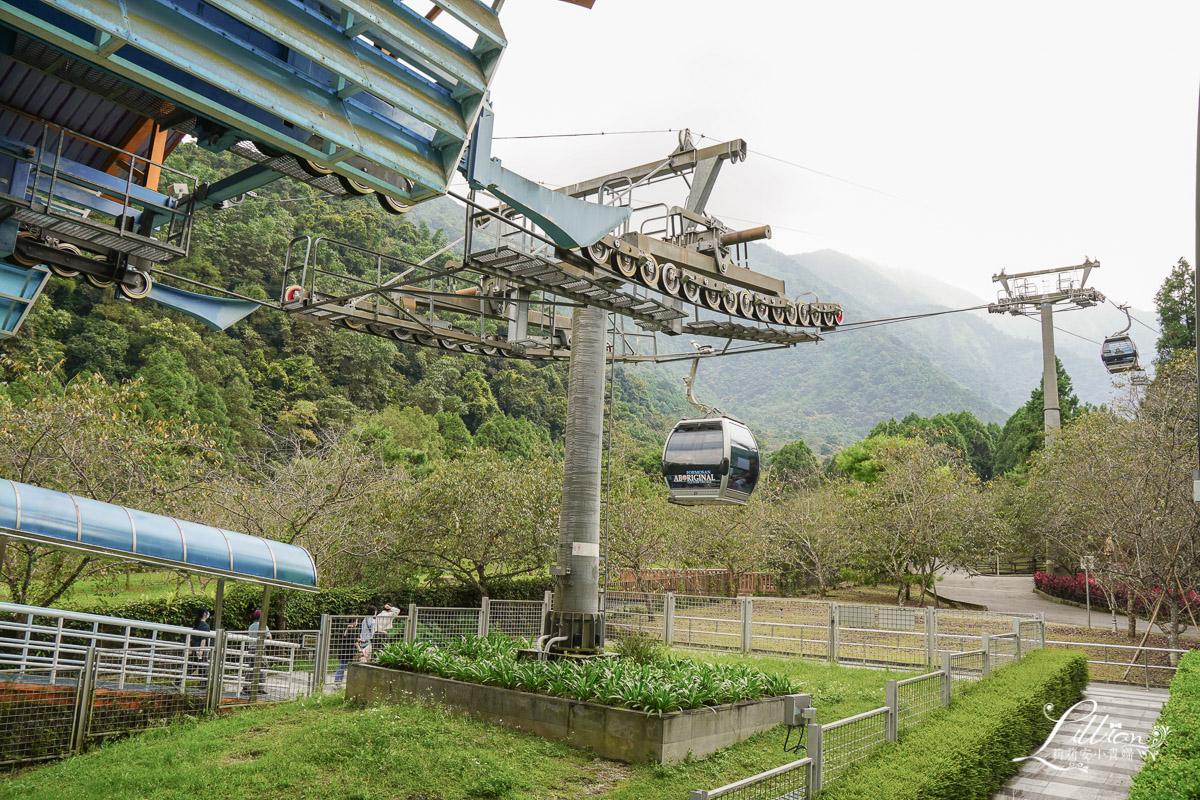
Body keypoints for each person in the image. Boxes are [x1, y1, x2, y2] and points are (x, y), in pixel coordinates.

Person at [244, 609, 272, 696]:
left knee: (252, 667)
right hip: (259, 649)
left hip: (251, 649)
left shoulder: (251, 626)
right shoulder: (263, 626)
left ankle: (246, 687)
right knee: (264, 666)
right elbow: (269, 637)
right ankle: (260, 687)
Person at [187, 607, 212, 685]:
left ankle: (203, 685)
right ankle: (177, 681)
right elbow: (203, 639)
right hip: (200, 650)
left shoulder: (196, 625)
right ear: (204, 614)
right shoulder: (205, 626)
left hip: (195, 648)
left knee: (198, 667)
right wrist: (201, 650)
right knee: (200, 667)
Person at [333, 616, 358, 685]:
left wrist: (359, 639)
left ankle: (337, 682)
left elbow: (350, 638)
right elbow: (354, 641)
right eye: (356, 621)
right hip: (349, 652)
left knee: (341, 667)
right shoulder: (352, 629)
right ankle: (351, 683)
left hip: (343, 650)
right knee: (351, 668)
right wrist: (359, 649)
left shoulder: (346, 628)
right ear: (354, 622)